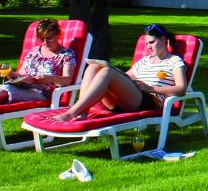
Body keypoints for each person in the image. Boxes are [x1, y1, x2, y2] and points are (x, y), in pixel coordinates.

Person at [54, 24, 187, 121]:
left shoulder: (174, 61)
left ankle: (71, 113)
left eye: (151, 43)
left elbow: (181, 89)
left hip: (148, 101)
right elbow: (127, 77)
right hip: (126, 99)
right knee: (93, 67)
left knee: (107, 73)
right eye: (146, 44)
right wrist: (114, 71)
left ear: (163, 39)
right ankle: (82, 113)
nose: (148, 47)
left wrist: (150, 88)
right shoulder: (145, 61)